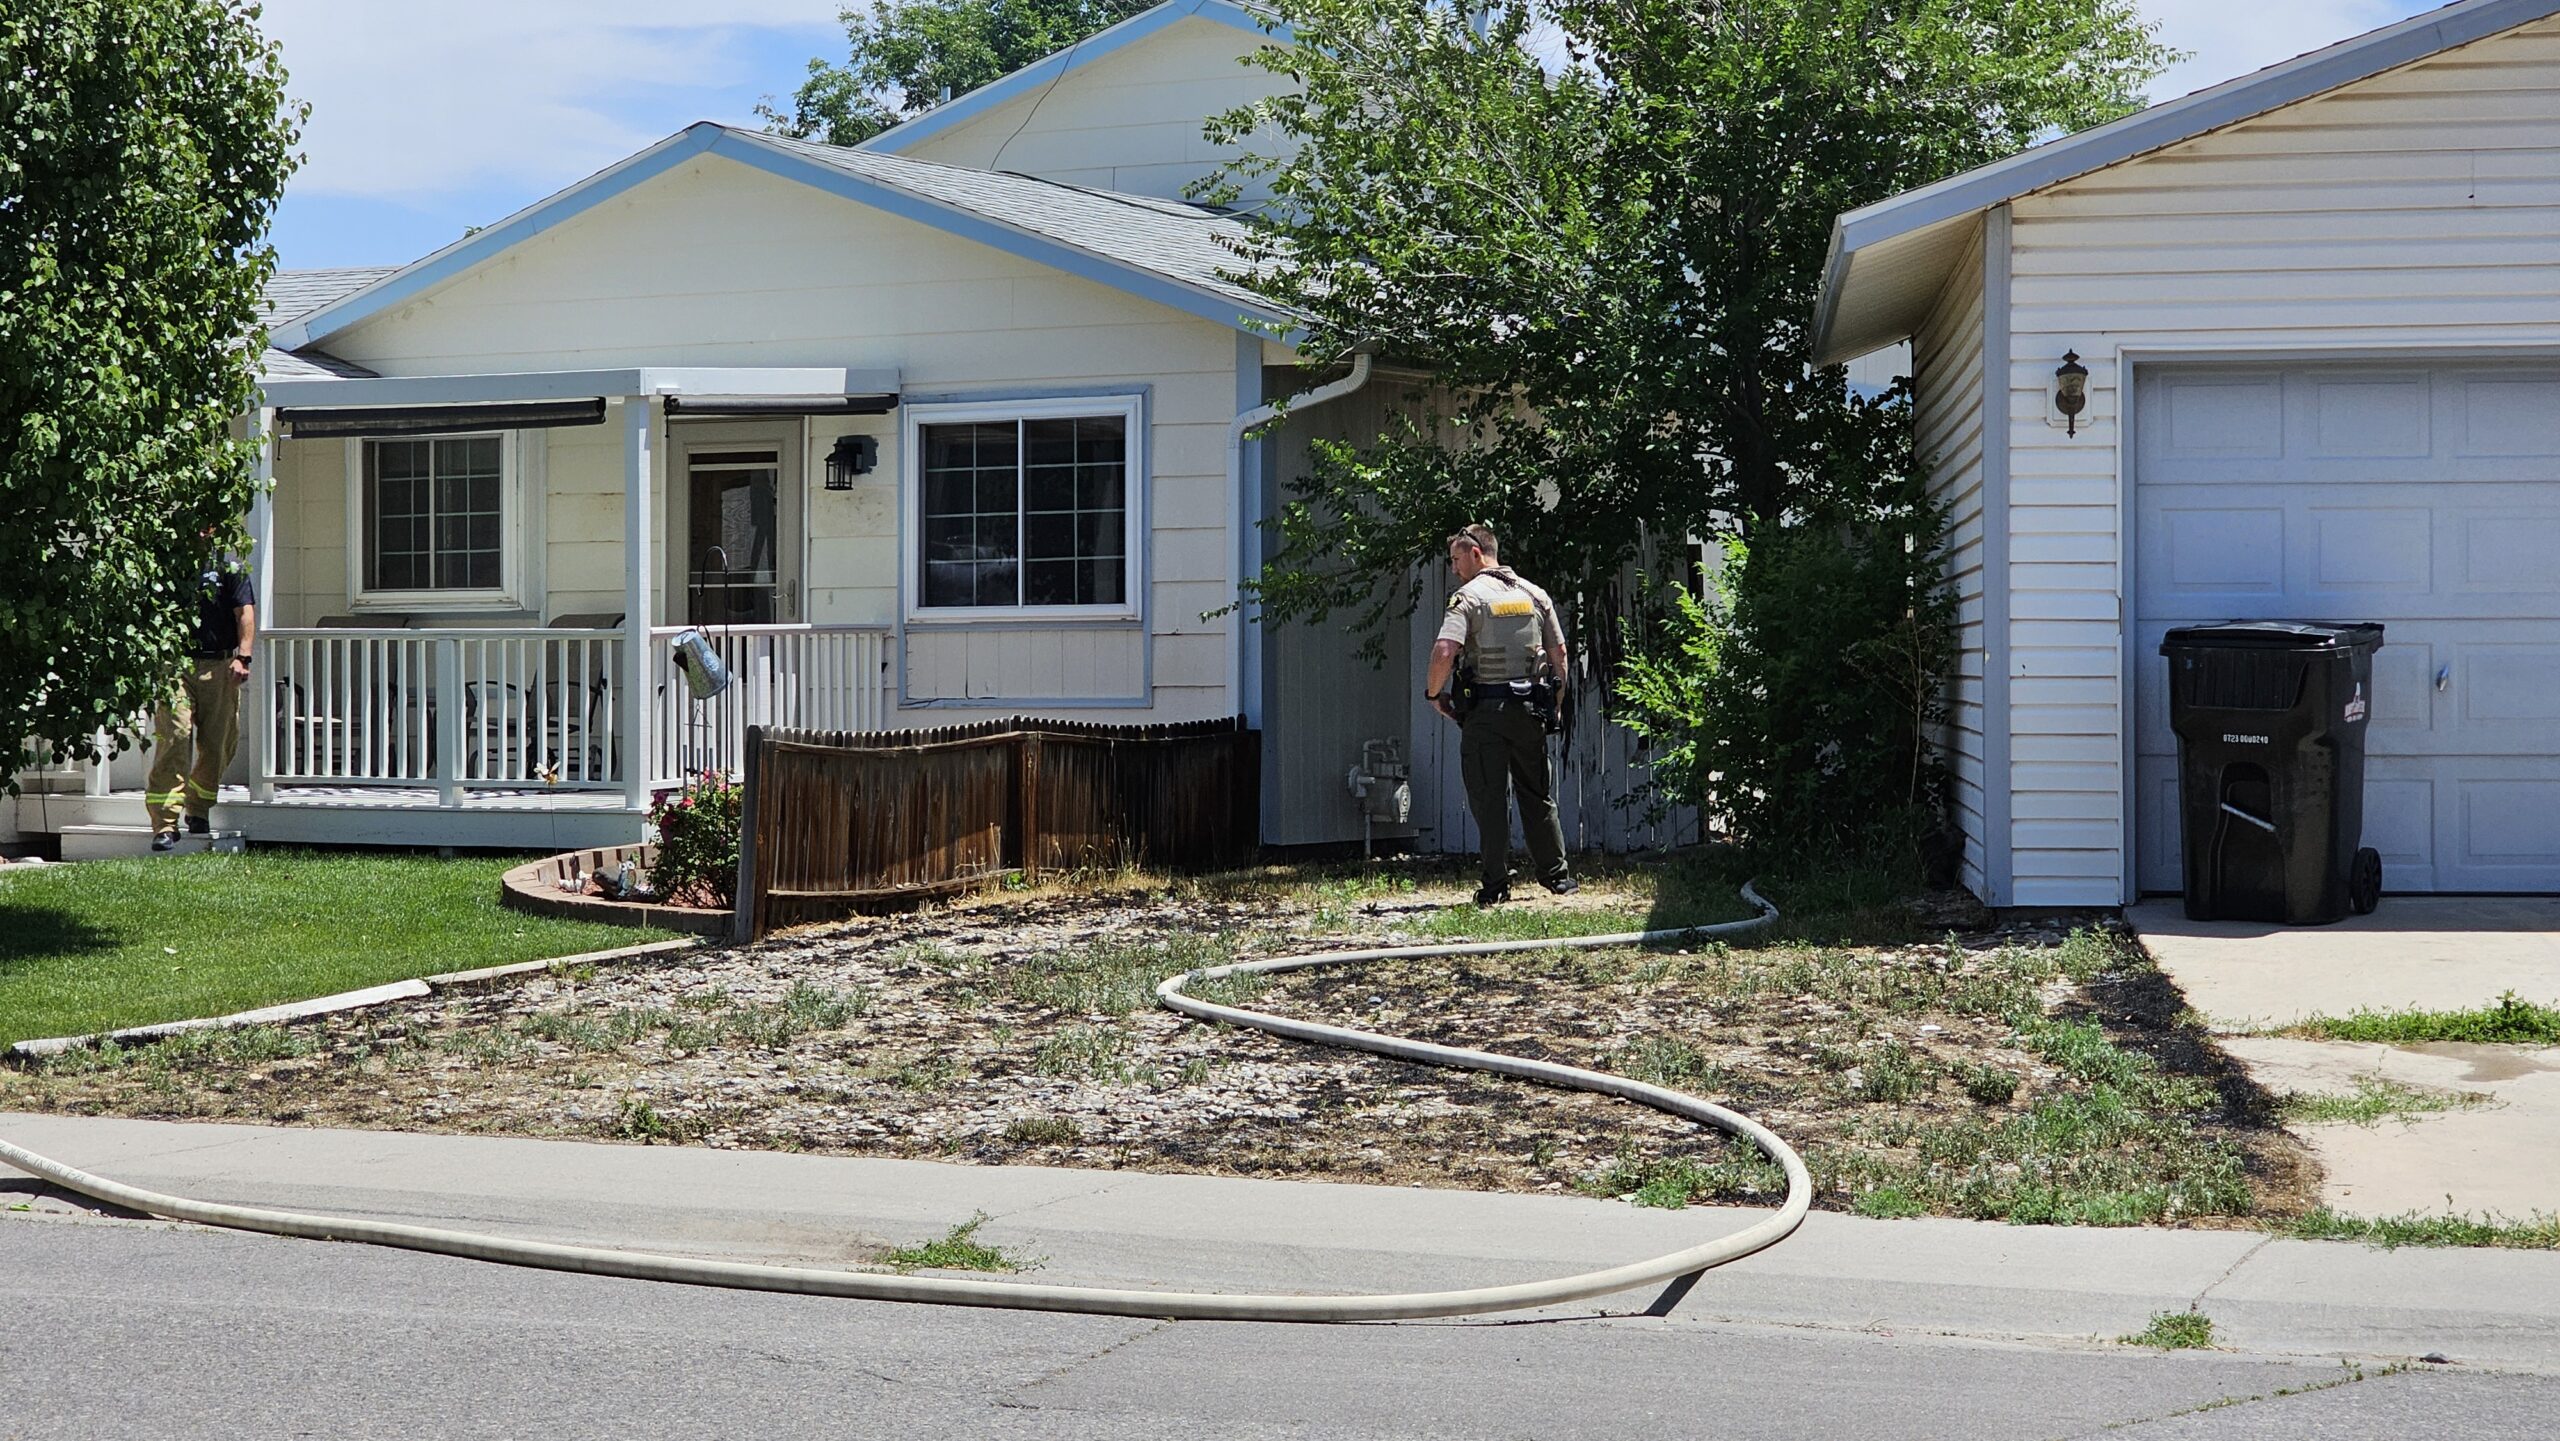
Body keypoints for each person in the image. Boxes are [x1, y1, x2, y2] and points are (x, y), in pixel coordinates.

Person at [1424, 523, 1577, 906]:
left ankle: (1495, 884)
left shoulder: (1469, 597)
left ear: (1476, 553)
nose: (1454, 568)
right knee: (1537, 793)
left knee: (1488, 797)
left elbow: (1445, 650)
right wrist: (1555, 701)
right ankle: (1558, 878)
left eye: (1457, 559)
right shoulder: (1534, 594)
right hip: (1530, 710)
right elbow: (1559, 653)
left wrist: (1433, 694)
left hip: (1485, 714)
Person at [146, 558, 256, 850]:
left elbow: (245, 612)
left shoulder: (230, 567)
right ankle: (164, 824)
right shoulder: (169, 563)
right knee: (175, 735)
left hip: (220, 665)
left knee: (219, 743)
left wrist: (243, 657)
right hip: (176, 664)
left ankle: (198, 809)